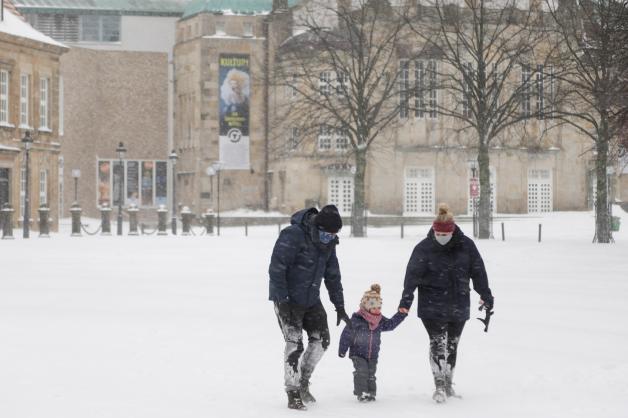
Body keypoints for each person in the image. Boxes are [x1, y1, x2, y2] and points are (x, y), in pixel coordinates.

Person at [398, 203, 494, 403]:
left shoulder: (466, 246)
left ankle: (449, 383)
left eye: (445, 235)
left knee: (452, 344)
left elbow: (478, 272)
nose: (442, 238)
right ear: (434, 231)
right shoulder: (423, 248)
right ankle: (439, 385)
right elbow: (411, 277)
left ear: (452, 231)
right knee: (437, 343)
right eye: (438, 234)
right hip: (431, 305)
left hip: (459, 303)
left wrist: (486, 294)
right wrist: (406, 301)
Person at [268, 204, 351, 410]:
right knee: (294, 344)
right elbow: (277, 267)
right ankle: (293, 391)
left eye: (334, 234)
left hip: (311, 299)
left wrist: (339, 306)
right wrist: (282, 298)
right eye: (326, 233)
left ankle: (303, 381)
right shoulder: (293, 235)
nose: (330, 237)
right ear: (317, 226)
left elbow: (333, 276)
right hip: (287, 299)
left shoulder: (329, 243)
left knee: (322, 341)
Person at [338, 284, 407, 402]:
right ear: (365, 307)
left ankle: (371, 393)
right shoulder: (356, 320)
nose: (377, 310)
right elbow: (346, 335)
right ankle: (362, 393)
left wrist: (401, 314)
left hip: (373, 354)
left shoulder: (379, 320)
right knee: (361, 372)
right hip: (357, 353)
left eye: (379, 308)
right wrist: (342, 350)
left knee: (371, 373)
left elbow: (390, 325)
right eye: (374, 308)